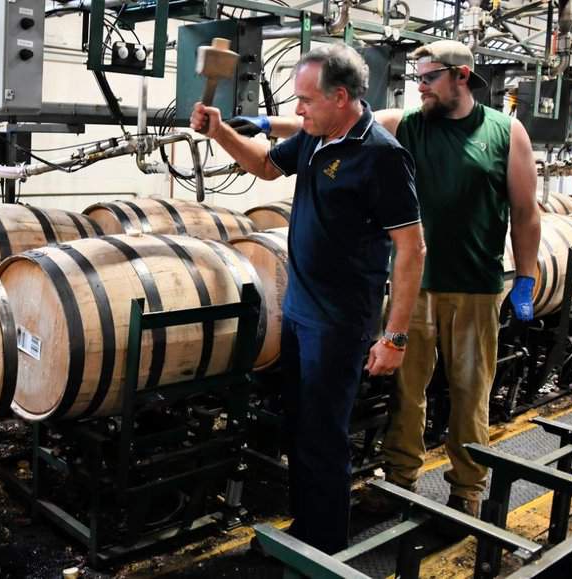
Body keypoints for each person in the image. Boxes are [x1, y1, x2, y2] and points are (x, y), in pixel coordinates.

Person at [191, 43, 425, 554]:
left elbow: (412, 249)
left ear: (340, 97)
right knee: (300, 428)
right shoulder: (317, 138)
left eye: (305, 101)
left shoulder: (382, 156)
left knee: (323, 436)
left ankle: (323, 548)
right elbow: (266, 167)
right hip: (300, 312)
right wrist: (221, 131)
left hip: (340, 324)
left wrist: (395, 336)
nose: (296, 112)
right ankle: (307, 530)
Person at [357, 40, 540, 518]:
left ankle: (467, 489)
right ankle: (399, 477)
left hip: (476, 286)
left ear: (461, 76)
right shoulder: (407, 125)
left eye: (428, 77)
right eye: (416, 77)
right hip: (412, 287)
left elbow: (524, 212)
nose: (419, 86)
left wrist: (526, 277)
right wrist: (277, 126)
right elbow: (350, 124)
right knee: (406, 391)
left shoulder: (506, 132)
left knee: (470, 393)